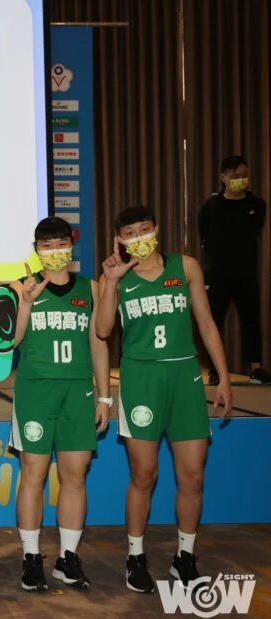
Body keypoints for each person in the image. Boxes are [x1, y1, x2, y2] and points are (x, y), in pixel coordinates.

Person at [96, 204, 232, 593]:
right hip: (141, 379)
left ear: (156, 228)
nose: (139, 238)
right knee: (144, 473)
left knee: (193, 475)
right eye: (130, 233)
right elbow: (103, 330)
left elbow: (205, 322)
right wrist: (110, 283)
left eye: (144, 229)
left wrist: (223, 376)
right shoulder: (115, 277)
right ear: (120, 240)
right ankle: (135, 557)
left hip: (184, 376)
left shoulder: (185, 267)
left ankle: (184, 556)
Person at [10, 217, 110, 591]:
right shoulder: (24, 286)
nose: (55, 251)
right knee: (33, 474)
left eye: (61, 244)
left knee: (75, 475)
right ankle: (31, 557)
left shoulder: (91, 288)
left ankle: (68, 558)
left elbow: (98, 342)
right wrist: (24, 304)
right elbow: (12, 341)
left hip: (77, 392)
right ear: (36, 249)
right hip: (36, 391)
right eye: (47, 245)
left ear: (71, 245)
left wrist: (104, 395)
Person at [198, 155, 269, 385]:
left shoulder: (257, 205)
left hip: (246, 272)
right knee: (214, 319)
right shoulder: (211, 205)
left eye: (244, 175)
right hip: (217, 272)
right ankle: (216, 370)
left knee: (251, 319)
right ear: (223, 177)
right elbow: (203, 232)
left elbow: (255, 229)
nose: (241, 179)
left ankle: (256, 368)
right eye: (235, 175)